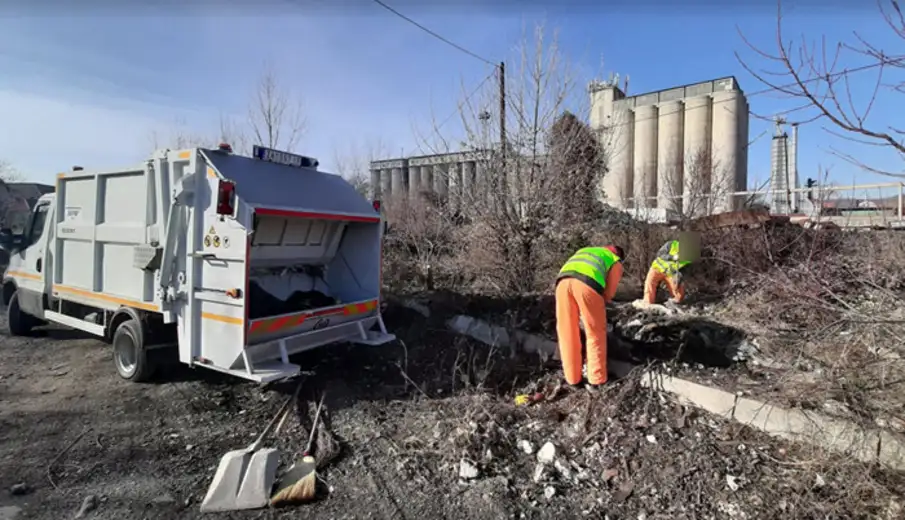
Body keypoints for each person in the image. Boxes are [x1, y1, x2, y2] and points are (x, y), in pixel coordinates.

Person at [554, 245, 625, 389]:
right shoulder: (614, 260)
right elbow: (609, 292)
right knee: (595, 333)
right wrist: (600, 304)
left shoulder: (585, 250)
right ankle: (597, 380)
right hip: (587, 285)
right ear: (618, 255)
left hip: (561, 284)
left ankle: (573, 379)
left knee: (567, 332)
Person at [644, 239, 691, 305]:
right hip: (656, 268)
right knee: (649, 286)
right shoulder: (671, 244)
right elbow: (660, 254)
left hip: (671, 273)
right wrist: (672, 257)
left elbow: (685, 269)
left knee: (679, 295)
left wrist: (680, 277)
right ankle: (648, 305)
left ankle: (674, 305)